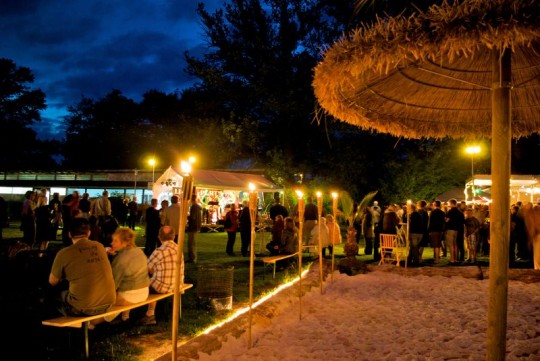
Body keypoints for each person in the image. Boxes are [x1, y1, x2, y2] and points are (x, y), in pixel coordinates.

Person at [48, 217, 116, 317]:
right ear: (89, 233)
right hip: (108, 303)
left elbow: (52, 282)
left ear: (69, 234)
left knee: (55, 295)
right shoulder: (100, 246)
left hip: (83, 309)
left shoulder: (64, 253)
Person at [92, 228, 149, 327]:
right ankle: (125, 317)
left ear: (125, 243)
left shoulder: (121, 260)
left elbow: (112, 285)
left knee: (100, 299)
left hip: (130, 296)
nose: (111, 243)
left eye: (115, 241)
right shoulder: (138, 251)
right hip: (144, 292)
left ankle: (93, 323)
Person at [139, 225, 181, 325]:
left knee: (144, 283)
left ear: (159, 237)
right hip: (176, 285)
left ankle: (149, 314)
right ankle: (151, 313)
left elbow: (147, 268)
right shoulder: (179, 249)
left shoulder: (159, 251)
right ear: (174, 237)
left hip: (162, 287)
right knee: (155, 279)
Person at [444, 199, 465, 264]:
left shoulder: (450, 211)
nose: (448, 204)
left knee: (451, 245)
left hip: (451, 229)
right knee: (455, 244)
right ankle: (455, 258)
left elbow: (447, 220)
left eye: (449, 203)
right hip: (457, 230)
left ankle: (452, 259)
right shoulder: (459, 212)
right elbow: (463, 221)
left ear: (452, 204)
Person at [186, 194, 202, 263]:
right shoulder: (197, 207)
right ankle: (193, 257)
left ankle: (192, 258)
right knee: (193, 243)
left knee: (191, 243)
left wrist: (187, 216)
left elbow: (193, 217)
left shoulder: (194, 207)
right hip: (196, 226)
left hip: (193, 227)